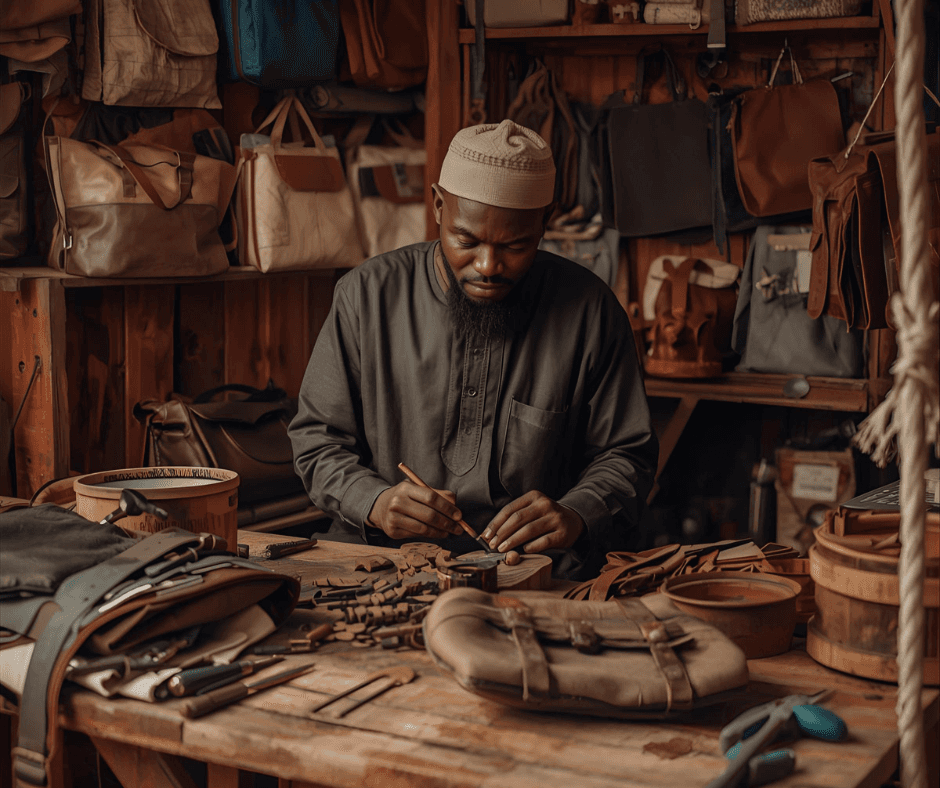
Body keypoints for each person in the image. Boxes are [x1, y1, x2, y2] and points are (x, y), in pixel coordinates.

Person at [289, 119, 658, 579]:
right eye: (467, 240)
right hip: (386, 563)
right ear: (439, 205)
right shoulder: (366, 297)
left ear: (545, 222)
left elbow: (627, 454)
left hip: (532, 571)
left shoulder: (589, 310)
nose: (487, 266)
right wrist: (376, 503)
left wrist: (576, 512)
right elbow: (316, 442)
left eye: (515, 246)